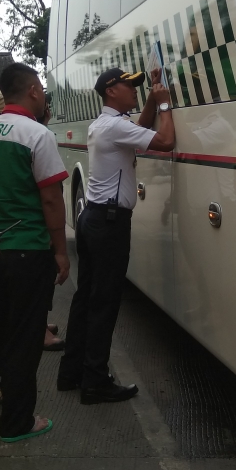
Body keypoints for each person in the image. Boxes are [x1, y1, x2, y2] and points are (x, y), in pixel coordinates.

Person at [0, 63, 71, 440]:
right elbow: (52, 201)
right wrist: (61, 251)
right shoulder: (37, 135)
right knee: (23, 339)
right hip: (28, 250)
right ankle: (17, 422)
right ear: (34, 90)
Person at [57, 67, 174, 404]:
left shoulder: (105, 125)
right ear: (111, 91)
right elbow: (164, 141)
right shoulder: (114, 126)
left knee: (86, 299)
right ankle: (95, 380)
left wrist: (152, 99)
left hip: (93, 219)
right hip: (109, 224)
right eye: (130, 86)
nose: (135, 91)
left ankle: (72, 372)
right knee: (104, 303)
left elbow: (137, 130)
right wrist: (164, 105)